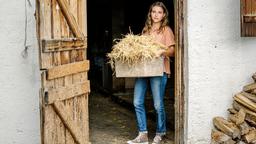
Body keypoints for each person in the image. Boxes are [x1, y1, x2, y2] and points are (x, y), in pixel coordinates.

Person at [127, 1, 175, 144]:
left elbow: (172, 51)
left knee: (157, 105)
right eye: (154, 12)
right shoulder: (145, 30)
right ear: (150, 13)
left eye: (159, 12)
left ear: (164, 14)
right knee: (137, 101)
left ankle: (160, 132)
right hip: (144, 70)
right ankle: (143, 135)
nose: (156, 15)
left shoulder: (166, 30)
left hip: (159, 71)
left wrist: (162, 51)